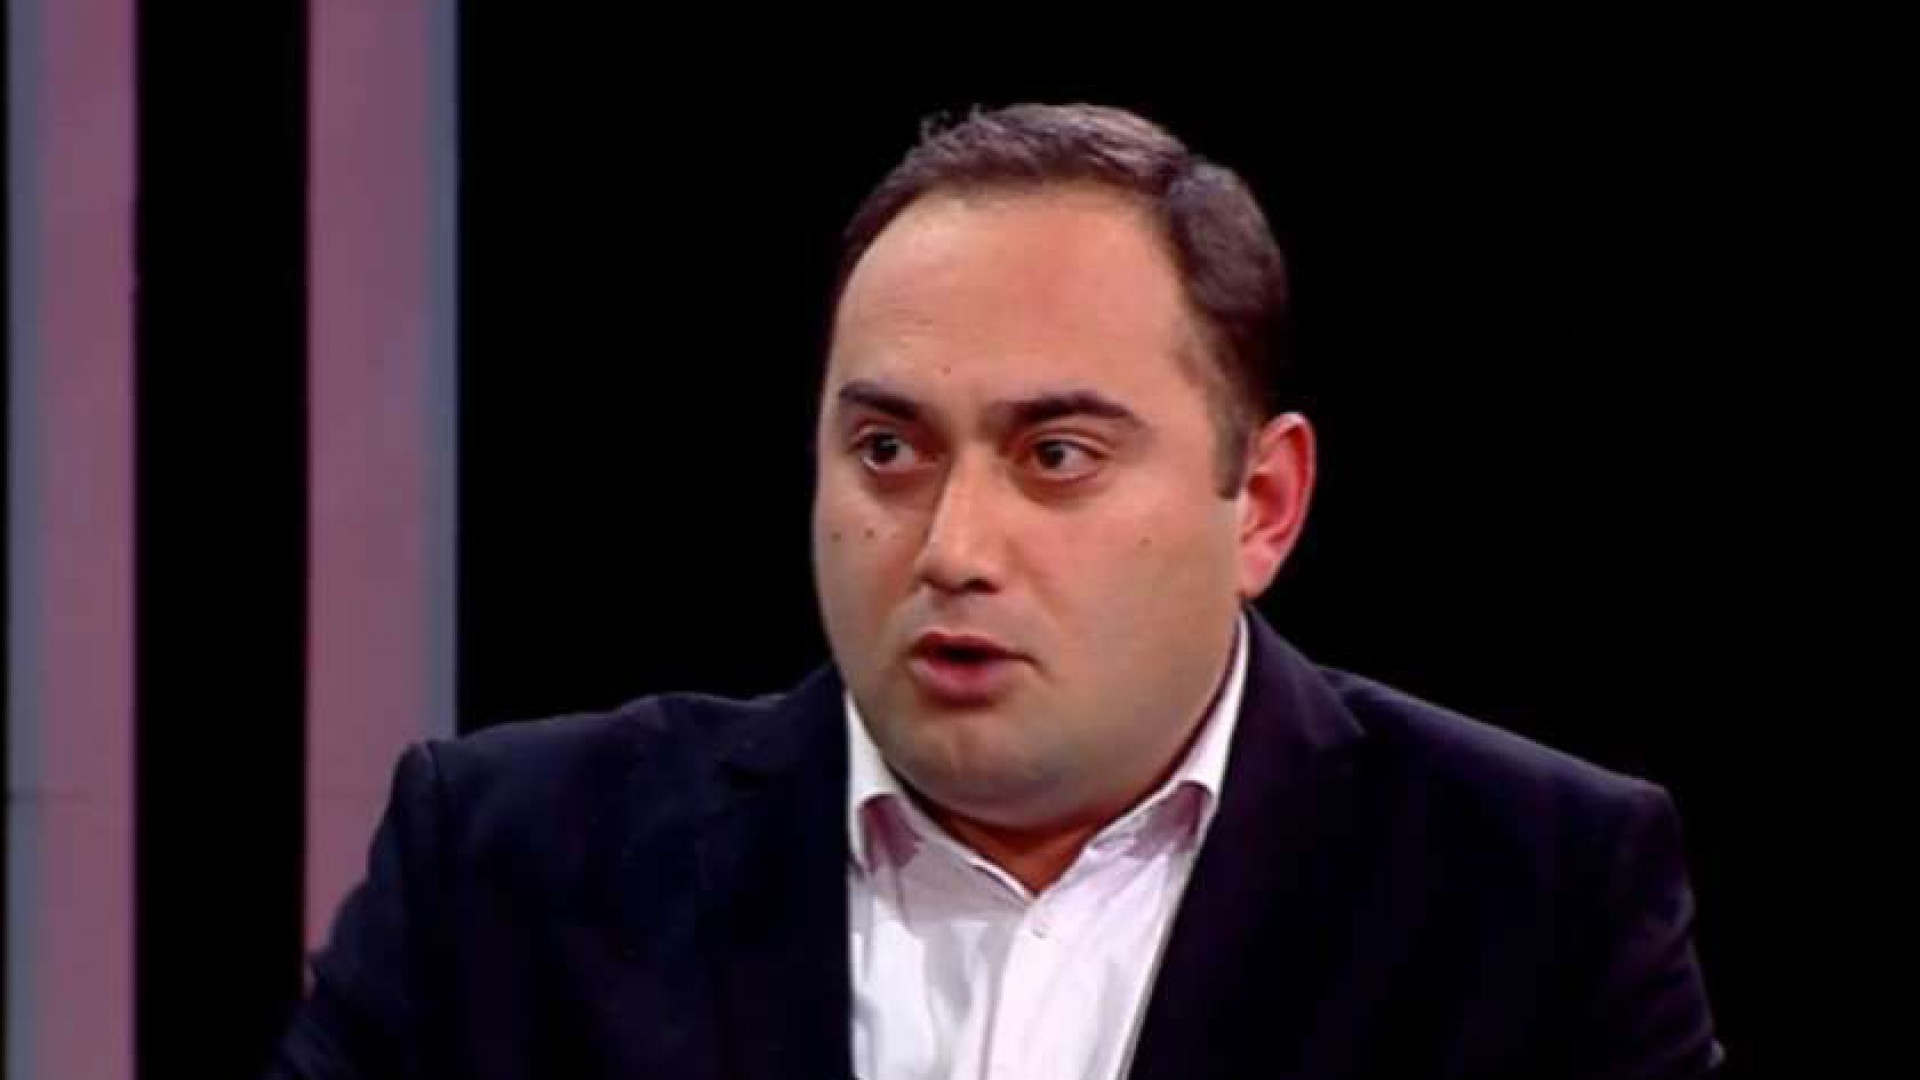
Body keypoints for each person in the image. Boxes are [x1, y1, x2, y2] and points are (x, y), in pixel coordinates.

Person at [268, 103, 1724, 1079]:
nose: (954, 545)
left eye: (1057, 456)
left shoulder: (1536, 896)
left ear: (1265, 504)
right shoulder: (503, 870)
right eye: (889, 450)